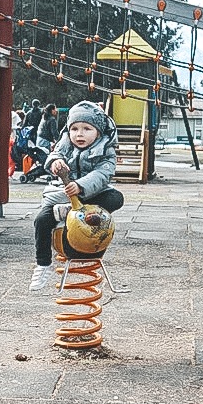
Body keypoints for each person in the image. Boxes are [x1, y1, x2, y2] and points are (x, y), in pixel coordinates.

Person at [29, 100, 124, 291]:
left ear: (98, 130)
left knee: (116, 198)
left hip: (92, 193)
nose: (79, 134)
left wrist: (80, 186)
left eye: (87, 128)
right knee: (41, 220)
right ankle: (43, 264)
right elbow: (54, 155)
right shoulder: (66, 143)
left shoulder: (106, 149)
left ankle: (70, 211)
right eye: (74, 129)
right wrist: (55, 163)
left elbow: (102, 174)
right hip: (63, 193)